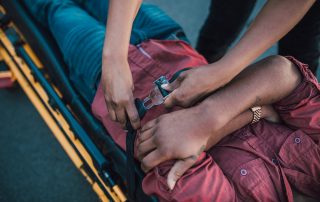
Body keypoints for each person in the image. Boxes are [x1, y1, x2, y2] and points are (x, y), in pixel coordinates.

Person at [22, 0, 320, 201]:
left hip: (103, 76)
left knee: (54, 6)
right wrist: (208, 122)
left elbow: (164, 146)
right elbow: (282, 71)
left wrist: (259, 107)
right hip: (168, 40)